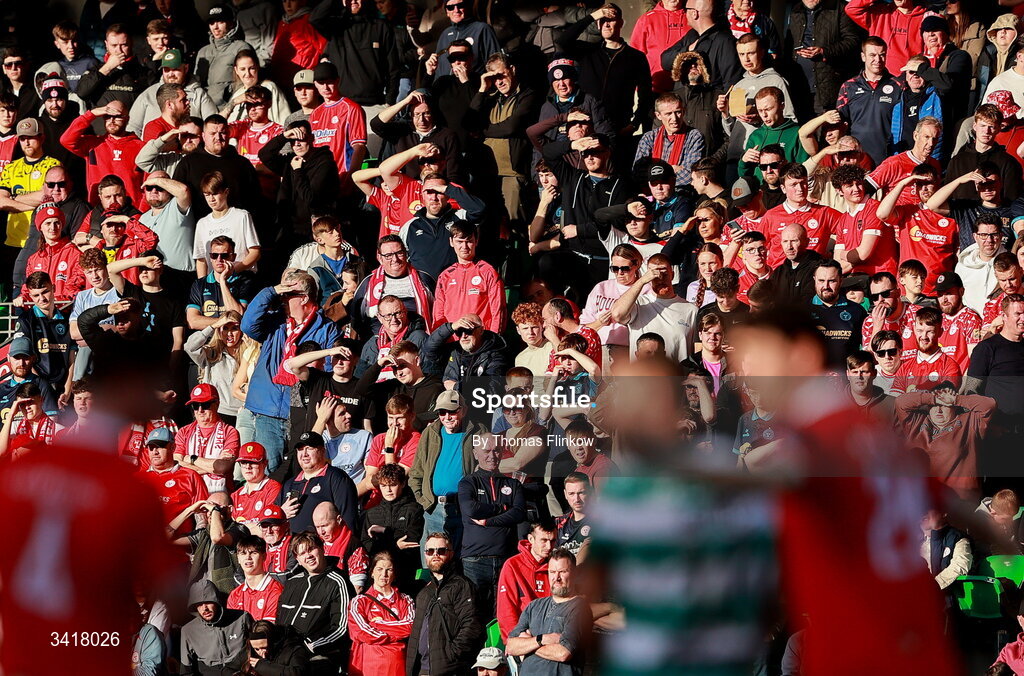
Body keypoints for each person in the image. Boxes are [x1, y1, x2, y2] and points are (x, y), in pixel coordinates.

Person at [240, 270, 338, 471]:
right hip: (269, 410)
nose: (281, 299)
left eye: (287, 294)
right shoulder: (274, 322)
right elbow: (247, 325)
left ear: (304, 298)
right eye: (280, 294)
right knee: (270, 469)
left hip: (303, 410)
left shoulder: (326, 328)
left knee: (301, 469)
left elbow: (329, 368)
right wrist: (270, 291)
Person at [556, 4, 653, 141]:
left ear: (620, 23)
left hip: (619, 126)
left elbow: (645, 94)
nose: (606, 24)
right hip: (586, 123)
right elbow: (562, 42)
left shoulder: (636, 57)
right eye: (602, 20)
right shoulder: (588, 51)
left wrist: (634, 124)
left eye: (610, 20)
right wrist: (593, 16)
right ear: (598, 24)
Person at [459, 439, 526, 620]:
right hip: (475, 560)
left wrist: (488, 521)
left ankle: (500, 648)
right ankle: (478, 649)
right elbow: (471, 509)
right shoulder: (468, 483)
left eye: (496, 451)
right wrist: (503, 508)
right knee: (475, 615)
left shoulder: (513, 483)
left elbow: (519, 513)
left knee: (505, 615)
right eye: (486, 451)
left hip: (506, 559)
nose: (492, 456)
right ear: (475, 454)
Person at [896, 385, 995, 501]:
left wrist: (956, 399)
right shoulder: (916, 422)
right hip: (921, 500)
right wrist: (934, 398)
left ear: (954, 407)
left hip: (959, 502)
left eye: (944, 405)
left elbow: (990, 404)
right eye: (934, 405)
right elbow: (900, 401)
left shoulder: (969, 422)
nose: (938, 410)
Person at [506, 548, 592, 676]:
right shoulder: (534, 606)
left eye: (562, 572)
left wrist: (528, 644)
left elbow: (563, 653)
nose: (556, 578)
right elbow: (511, 646)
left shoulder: (579, 608)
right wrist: (542, 639)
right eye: (552, 572)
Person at [406, 532, 481, 676]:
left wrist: (451, 655)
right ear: (425, 555)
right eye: (430, 551)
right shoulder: (424, 593)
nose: (435, 555)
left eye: (441, 551)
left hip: (449, 669)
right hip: (421, 669)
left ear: (451, 554)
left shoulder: (462, 586)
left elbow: (472, 626)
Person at [276, 531, 354, 671]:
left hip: (317, 657)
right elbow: (279, 621)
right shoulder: (292, 583)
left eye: (311, 549)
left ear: (322, 548)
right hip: (285, 654)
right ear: (297, 559)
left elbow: (342, 628)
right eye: (302, 553)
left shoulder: (338, 582)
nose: (309, 556)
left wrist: (309, 646)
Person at [611, 252, 697, 362]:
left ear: (673, 275)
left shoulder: (691, 310)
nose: (660, 279)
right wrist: (641, 281)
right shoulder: (638, 304)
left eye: (664, 274)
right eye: (655, 275)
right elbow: (617, 314)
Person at [277, 430, 359, 536]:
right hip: (293, 549)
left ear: (322, 451)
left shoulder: (336, 478)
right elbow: (272, 520)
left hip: (324, 550)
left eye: (309, 448)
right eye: (300, 449)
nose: (304, 454)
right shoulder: (289, 484)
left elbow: (348, 520)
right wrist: (281, 514)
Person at [348, 551, 415, 676]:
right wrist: (395, 635)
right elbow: (360, 632)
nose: (384, 574)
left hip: (398, 665)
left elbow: (410, 626)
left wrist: (377, 624)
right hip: (369, 667)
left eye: (389, 569)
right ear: (372, 572)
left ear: (394, 574)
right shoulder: (359, 601)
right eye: (379, 569)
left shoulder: (406, 600)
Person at [836, 37, 900, 166]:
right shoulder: (848, 86)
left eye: (882, 55)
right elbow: (840, 123)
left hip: (888, 157)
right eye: (872, 55)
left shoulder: (898, 85)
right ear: (863, 56)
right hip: (856, 158)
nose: (878, 60)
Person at [173, 383, 240, 493]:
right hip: (188, 489)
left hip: (218, 493)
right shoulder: (183, 432)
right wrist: (211, 468)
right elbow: (176, 464)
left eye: (205, 405)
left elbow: (222, 467)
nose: (200, 410)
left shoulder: (230, 432)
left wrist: (191, 459)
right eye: (195, 405)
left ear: (217, 404)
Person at [660, 0, 741, 89]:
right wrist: (688, 50)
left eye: (686, 10)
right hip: (685, 99)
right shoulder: (691, 35)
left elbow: (731, 82)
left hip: (709, 100)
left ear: (694, 13)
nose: (685, 13)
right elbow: (665, 61)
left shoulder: (725, 41)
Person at [180, 579, 252, 675]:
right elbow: (186, 671)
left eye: (208, 602)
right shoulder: (188, 631)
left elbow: (259, 650)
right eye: (199, 604)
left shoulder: (241, 618)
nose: (205, 608)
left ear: (217, 601)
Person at [634, 93, 704, 189]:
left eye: (678, 112)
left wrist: (655, 175)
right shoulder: (649, 138)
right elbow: (639, 173)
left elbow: (690, 174)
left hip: (682, 194)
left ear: (684, 111)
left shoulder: (694, 136)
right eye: (668, 114)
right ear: (658, 115)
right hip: (651, 194)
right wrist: (671, 169)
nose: (674, 118)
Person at [890, 306, 962, 394]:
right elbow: (896, 402)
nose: (924, 337)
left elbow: (944, 402)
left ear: (940, 332)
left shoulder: (949, 366)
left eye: (930, 331)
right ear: (914, 330)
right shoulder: (905, 368)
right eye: (919, 331)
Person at [76, 24, 150, 110]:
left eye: (124, 45)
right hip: (103, 121)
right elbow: (82, 93)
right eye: (114, 45)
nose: (119, 50)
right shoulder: (96, 70)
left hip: (131, 121)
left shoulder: (142, 71)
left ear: (131, 44)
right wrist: (107, 67)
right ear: (106, 45)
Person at [810, 259, 867, 368]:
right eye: (821, 280)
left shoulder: (857, 311)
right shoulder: (802, 311)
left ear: (841, 281)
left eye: (832, 281)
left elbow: (866, 347)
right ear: (814, 280)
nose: (826, 286)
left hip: (846, 379)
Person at [196, 4, 254, 107]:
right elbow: (196, 83)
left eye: (221, 22)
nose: (216, 27)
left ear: (231, 23)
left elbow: (248, 80)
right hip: (204, 106)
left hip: (229, 105)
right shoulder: (203, 52)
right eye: (212, 22)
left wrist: (227, 96)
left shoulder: (241, 47)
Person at [632, 0, 689, 94]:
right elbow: (635, 56)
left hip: (686, 87)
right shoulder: (646, 19)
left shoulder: (693, 17)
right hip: (654, 87)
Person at [228, 534, 284, 622]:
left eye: (253, 553)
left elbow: (267, 629)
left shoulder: (275, 591)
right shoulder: (234, 595)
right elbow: (232, 630)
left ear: (264, 556)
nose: (248, 557)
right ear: (238, 558)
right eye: (243, 553)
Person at [230, 441, 283, 525]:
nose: (248, 467)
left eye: (253, 462)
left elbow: (265, 525)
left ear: (265, 463)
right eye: (243, 462)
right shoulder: (235, 495)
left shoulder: (273, 488)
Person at [246, 620, 311, 675]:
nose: (263, 655)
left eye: (265, 648)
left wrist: (264, 667)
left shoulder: (293, 648)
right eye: (257, 649)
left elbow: (298, 673)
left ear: (274, 641)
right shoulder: (251, 649)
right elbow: (236, 666)